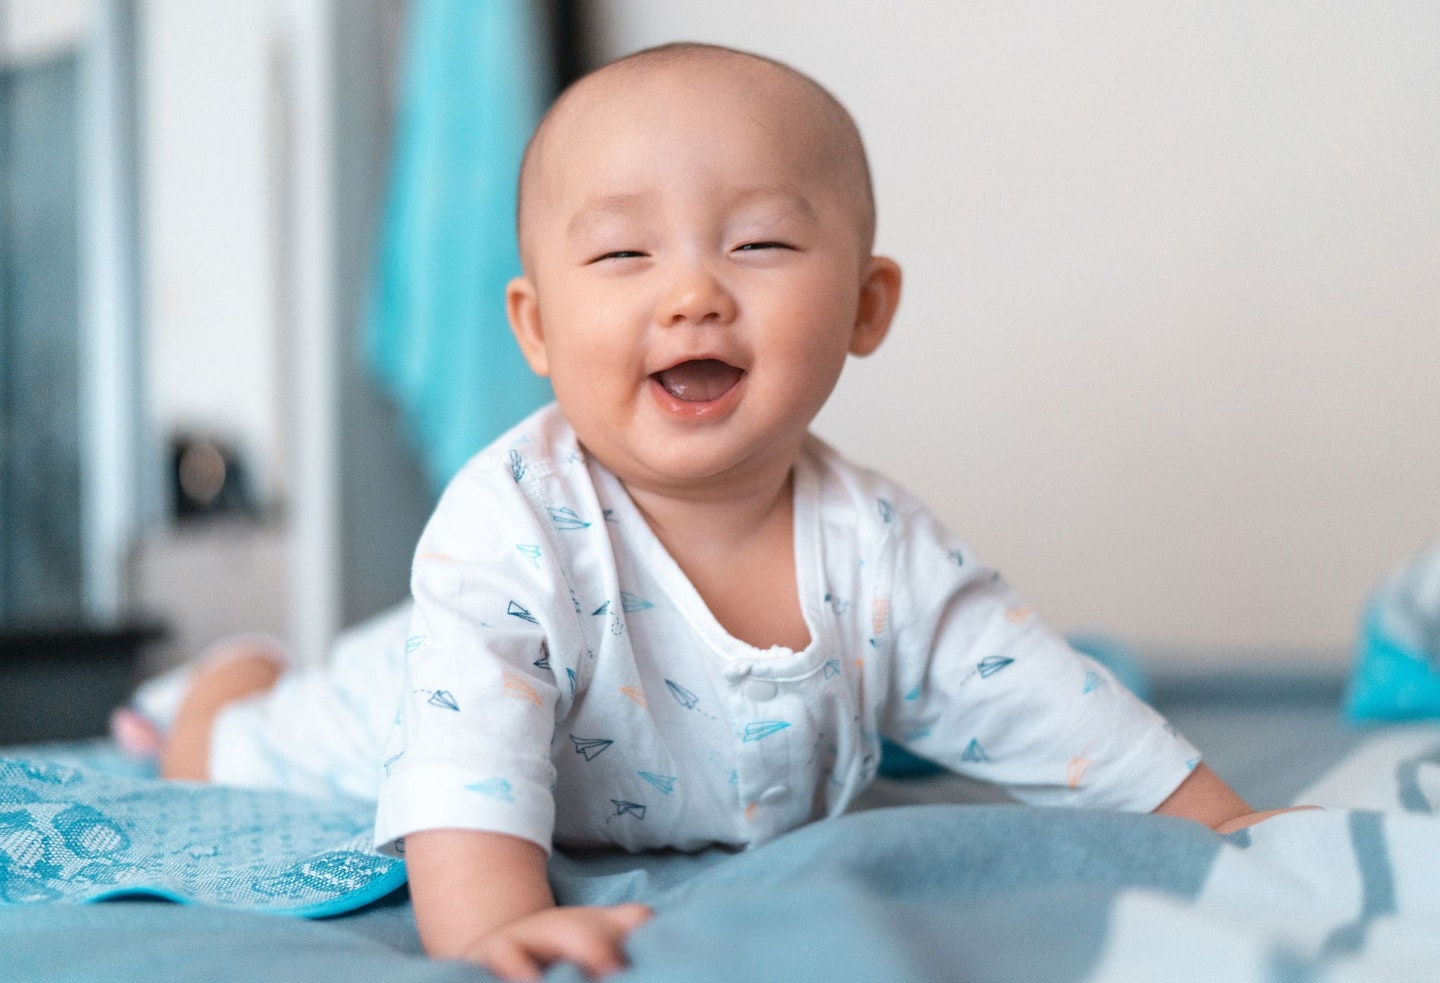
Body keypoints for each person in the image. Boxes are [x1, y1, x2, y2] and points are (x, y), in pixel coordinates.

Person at [134, 42, 1300, 982]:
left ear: (864, 301)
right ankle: (223, 679)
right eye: (626, 251)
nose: (693, 292)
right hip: (403, 702)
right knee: (231, 747)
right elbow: (461, 764)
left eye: (760, 243)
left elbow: (1041, 699)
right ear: (536, 328)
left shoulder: (881, 547)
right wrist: (492, 931)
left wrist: (1224, 816)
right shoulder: (509, 526)